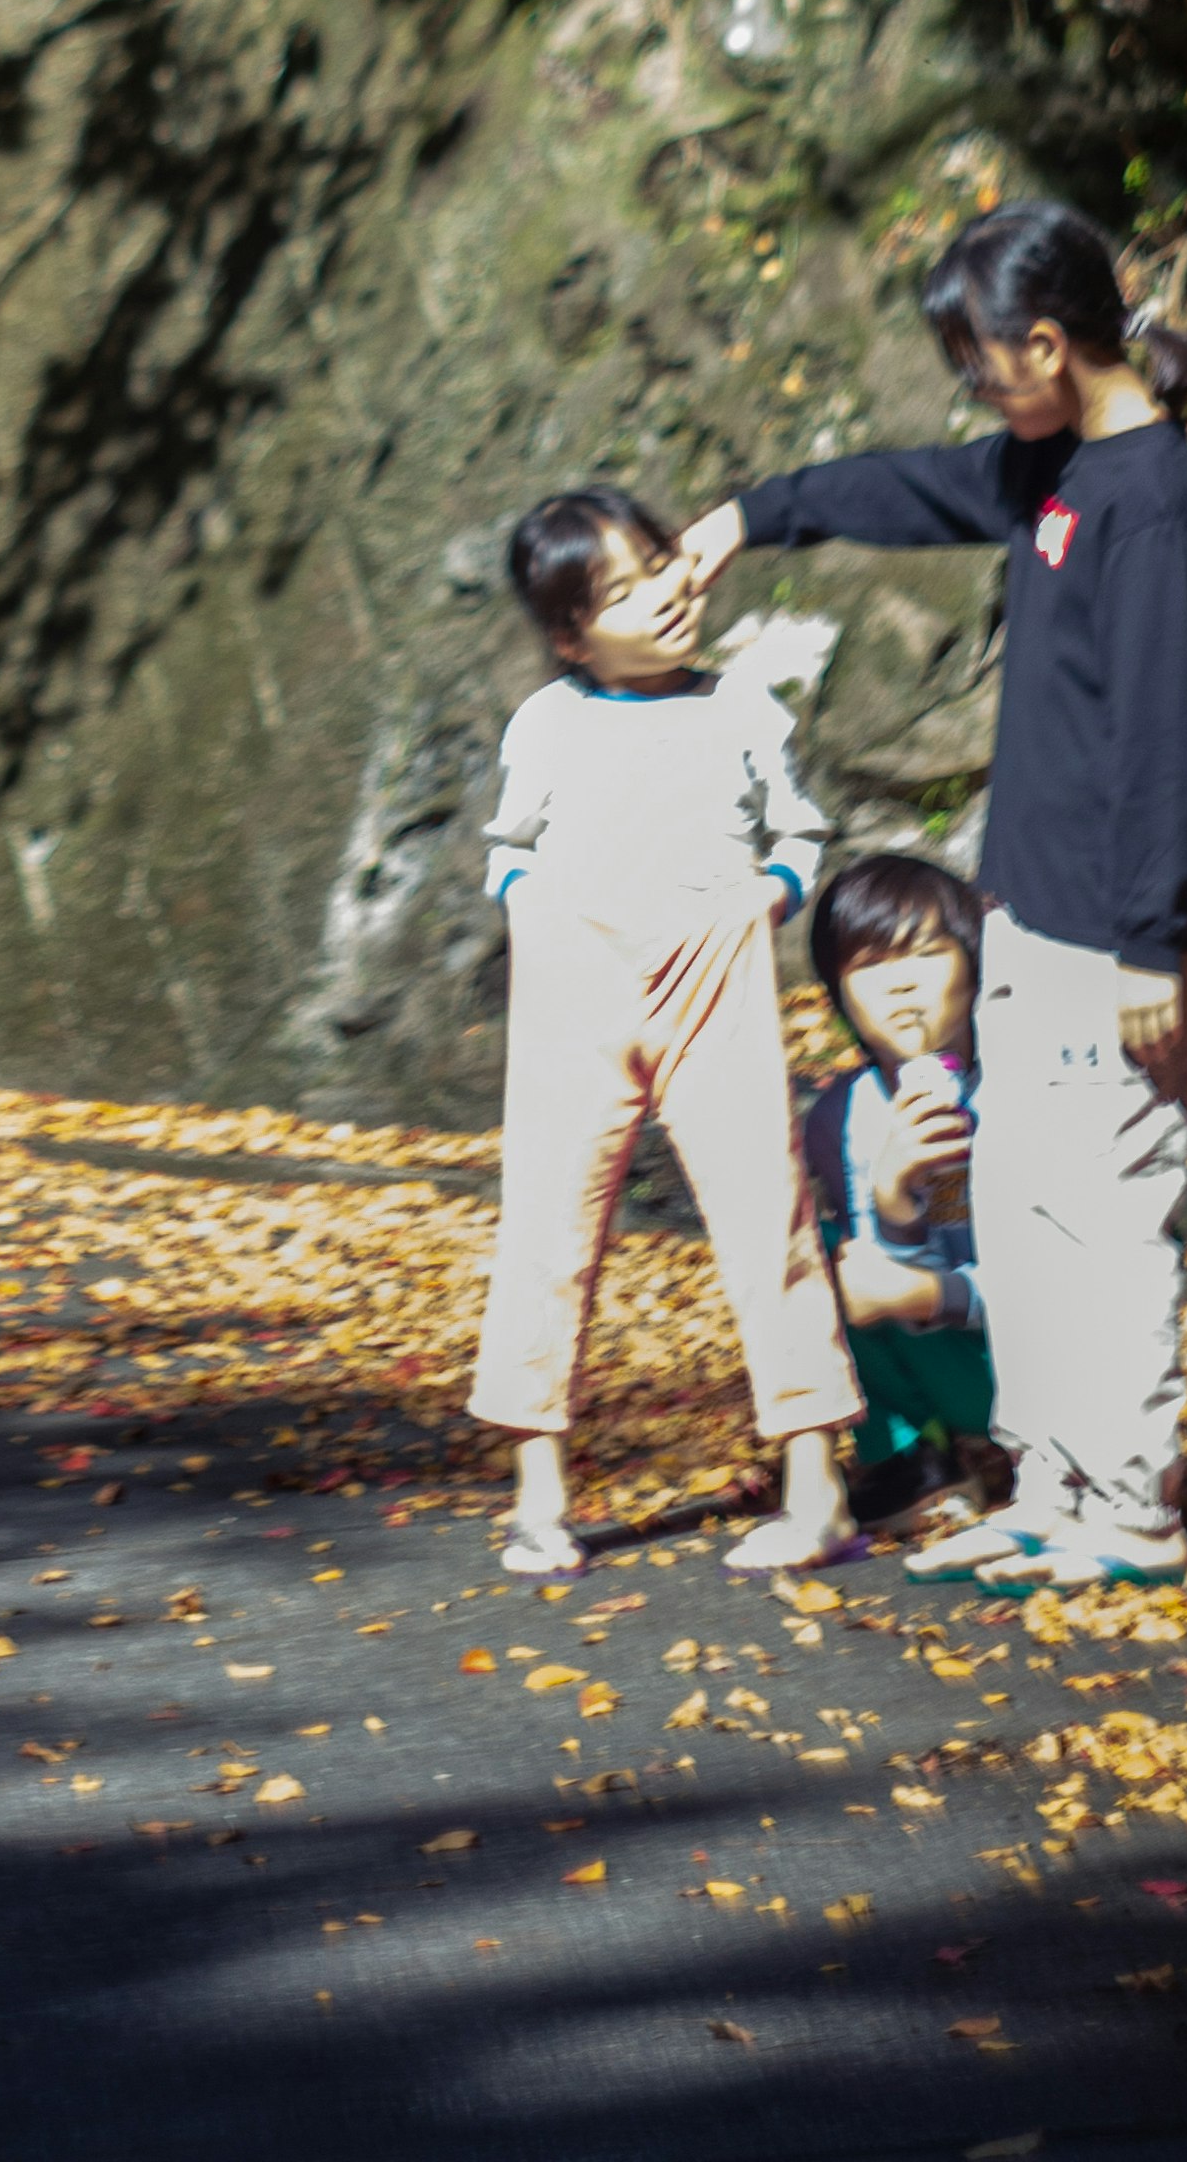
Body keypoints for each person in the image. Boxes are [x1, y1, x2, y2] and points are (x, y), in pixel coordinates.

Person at [678, 196, 1187, 1593]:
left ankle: (1135, 1510)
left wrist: (1159, 943)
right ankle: (1053, 1484)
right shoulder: (1051, 471)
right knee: (1032, 1209)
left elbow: (1163, 740)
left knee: (1106, 1222)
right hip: (1025, 916)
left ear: (1046, 348)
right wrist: (752, 516)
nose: (974, 389)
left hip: (1111, 936)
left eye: (981, 361)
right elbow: (911, 486)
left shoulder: (1149, 505)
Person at [470, 479, 864, 1582]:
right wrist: (530, 910)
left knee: (768, 1222)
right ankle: (539, 1495)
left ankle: (816, 1483)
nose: (666, 595)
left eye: (663, 566)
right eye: (626, 589)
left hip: (713, 979)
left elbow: (799, 830)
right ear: (569, 633)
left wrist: (768, 897)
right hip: (574, 988)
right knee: (547, 1235)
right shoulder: (549, 721)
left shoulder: (742, 705)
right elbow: (509, 848)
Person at [802, 849, 999, 1533]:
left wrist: (936, 1294)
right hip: (949, 1364)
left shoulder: (1028, 1087)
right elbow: (872, 1287)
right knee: (814, 1249)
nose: (901, 987)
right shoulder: (841, 1118)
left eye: (924, 954)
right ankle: (915, 1464)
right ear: (840, 998)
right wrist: (894, 1203)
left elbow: (1077, 1280)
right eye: (869, 966)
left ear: (973, 968)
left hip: (1057, 1364)